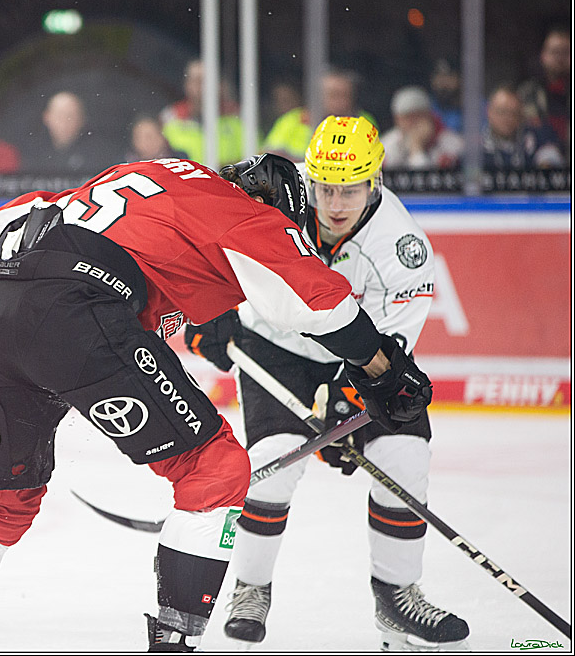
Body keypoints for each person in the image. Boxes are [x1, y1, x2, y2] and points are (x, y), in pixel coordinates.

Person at [0, 151, 434, 651]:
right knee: (215, 469)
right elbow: (319, 302)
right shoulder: (252, 213)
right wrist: (385, 372)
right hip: (77, 312)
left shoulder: (160, 174)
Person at [185, 116, 469, 651]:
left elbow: (389, 355)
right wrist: (201, 312)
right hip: (277, 347)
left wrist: (348, 399)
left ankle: (396, 597)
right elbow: (201, 237)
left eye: (351, 188)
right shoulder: (274, 195)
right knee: (273, 464)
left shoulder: (401, 247)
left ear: (375, 181)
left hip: (364, 357)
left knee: (403, 457)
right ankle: (251, 587)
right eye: (326, 188)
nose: (335, 203)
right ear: (309, 178)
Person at [261, 68, 377, 162]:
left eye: (345, 95)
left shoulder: (363, 120)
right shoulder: (293, 119)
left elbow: (376, 158)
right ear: (317, 96)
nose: (340, 101)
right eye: (334, 95)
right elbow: (266, 157)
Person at [159, 58, 244, 167]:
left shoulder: (237, 117)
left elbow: (254, 158)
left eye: (205, 80)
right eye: (195, 80)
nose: (200, 87)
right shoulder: (170, 117)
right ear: (187, 84)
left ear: (219, 85)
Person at [20, 90, 115, 176]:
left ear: (82, 120)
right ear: (47, 117)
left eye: (71, 116)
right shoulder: (31, 151)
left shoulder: (99, 153)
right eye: (60, 115)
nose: (65, 122)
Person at [517, 26, 571, 160]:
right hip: (538, 165)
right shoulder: (528, 92)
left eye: (565, 52)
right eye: (554, 52)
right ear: (543, 56)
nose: (560, 58)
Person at [381, 86, 464, 170]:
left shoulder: (452, 144)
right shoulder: (387, 144)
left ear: (429, 117)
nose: (412, 123)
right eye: (407, 118)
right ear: (397, 120)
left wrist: (417, 149)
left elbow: (427, 181)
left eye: (417, 116)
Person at [483, 85, 565, 170]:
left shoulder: (534, 137)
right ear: (489, 111)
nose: (507, 118)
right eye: (502, 112)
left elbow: (551, 156)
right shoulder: (476, 146)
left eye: (513, 113)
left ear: (521, 116)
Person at [428, 59, 463, 133]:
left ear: (459, 79)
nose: (444, 83)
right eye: (439, 77)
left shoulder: (475, 107)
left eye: (449, 77)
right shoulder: (427, 107)